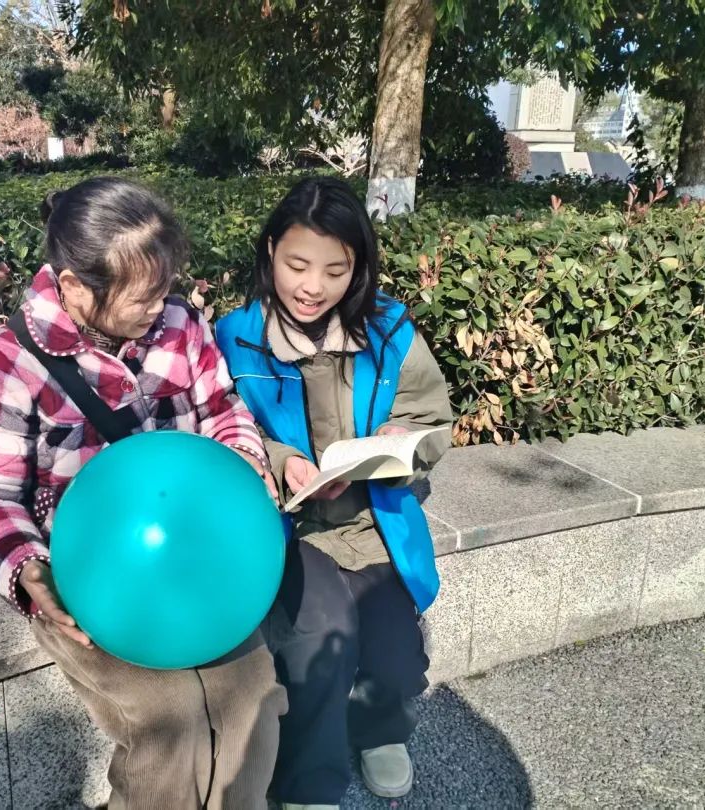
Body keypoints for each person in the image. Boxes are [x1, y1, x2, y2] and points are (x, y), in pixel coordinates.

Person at [0, 176, 286, 810]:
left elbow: (221, 408)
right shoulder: (8, 360)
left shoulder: (180, 325)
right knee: (169, 718)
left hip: (198, 560)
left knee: (253, 695)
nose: (160, 307)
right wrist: (27, 570)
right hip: (89, 583)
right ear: (75, 285)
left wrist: (241, 458)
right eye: (143, 296)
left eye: (165, 289)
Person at [215, 177, 454, 809]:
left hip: (375, 520)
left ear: (359, 268)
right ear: (271, 251)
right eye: (297, 265)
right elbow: (223, 427)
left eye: (335, 270)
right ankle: (309, 780)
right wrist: (282, 461)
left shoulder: (390, 331)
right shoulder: (234, 338)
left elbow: (433, 420)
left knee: (397, 652)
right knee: (321, 638)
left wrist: (400, 443)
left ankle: (381, 730)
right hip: (289, 527)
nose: (312, 287)